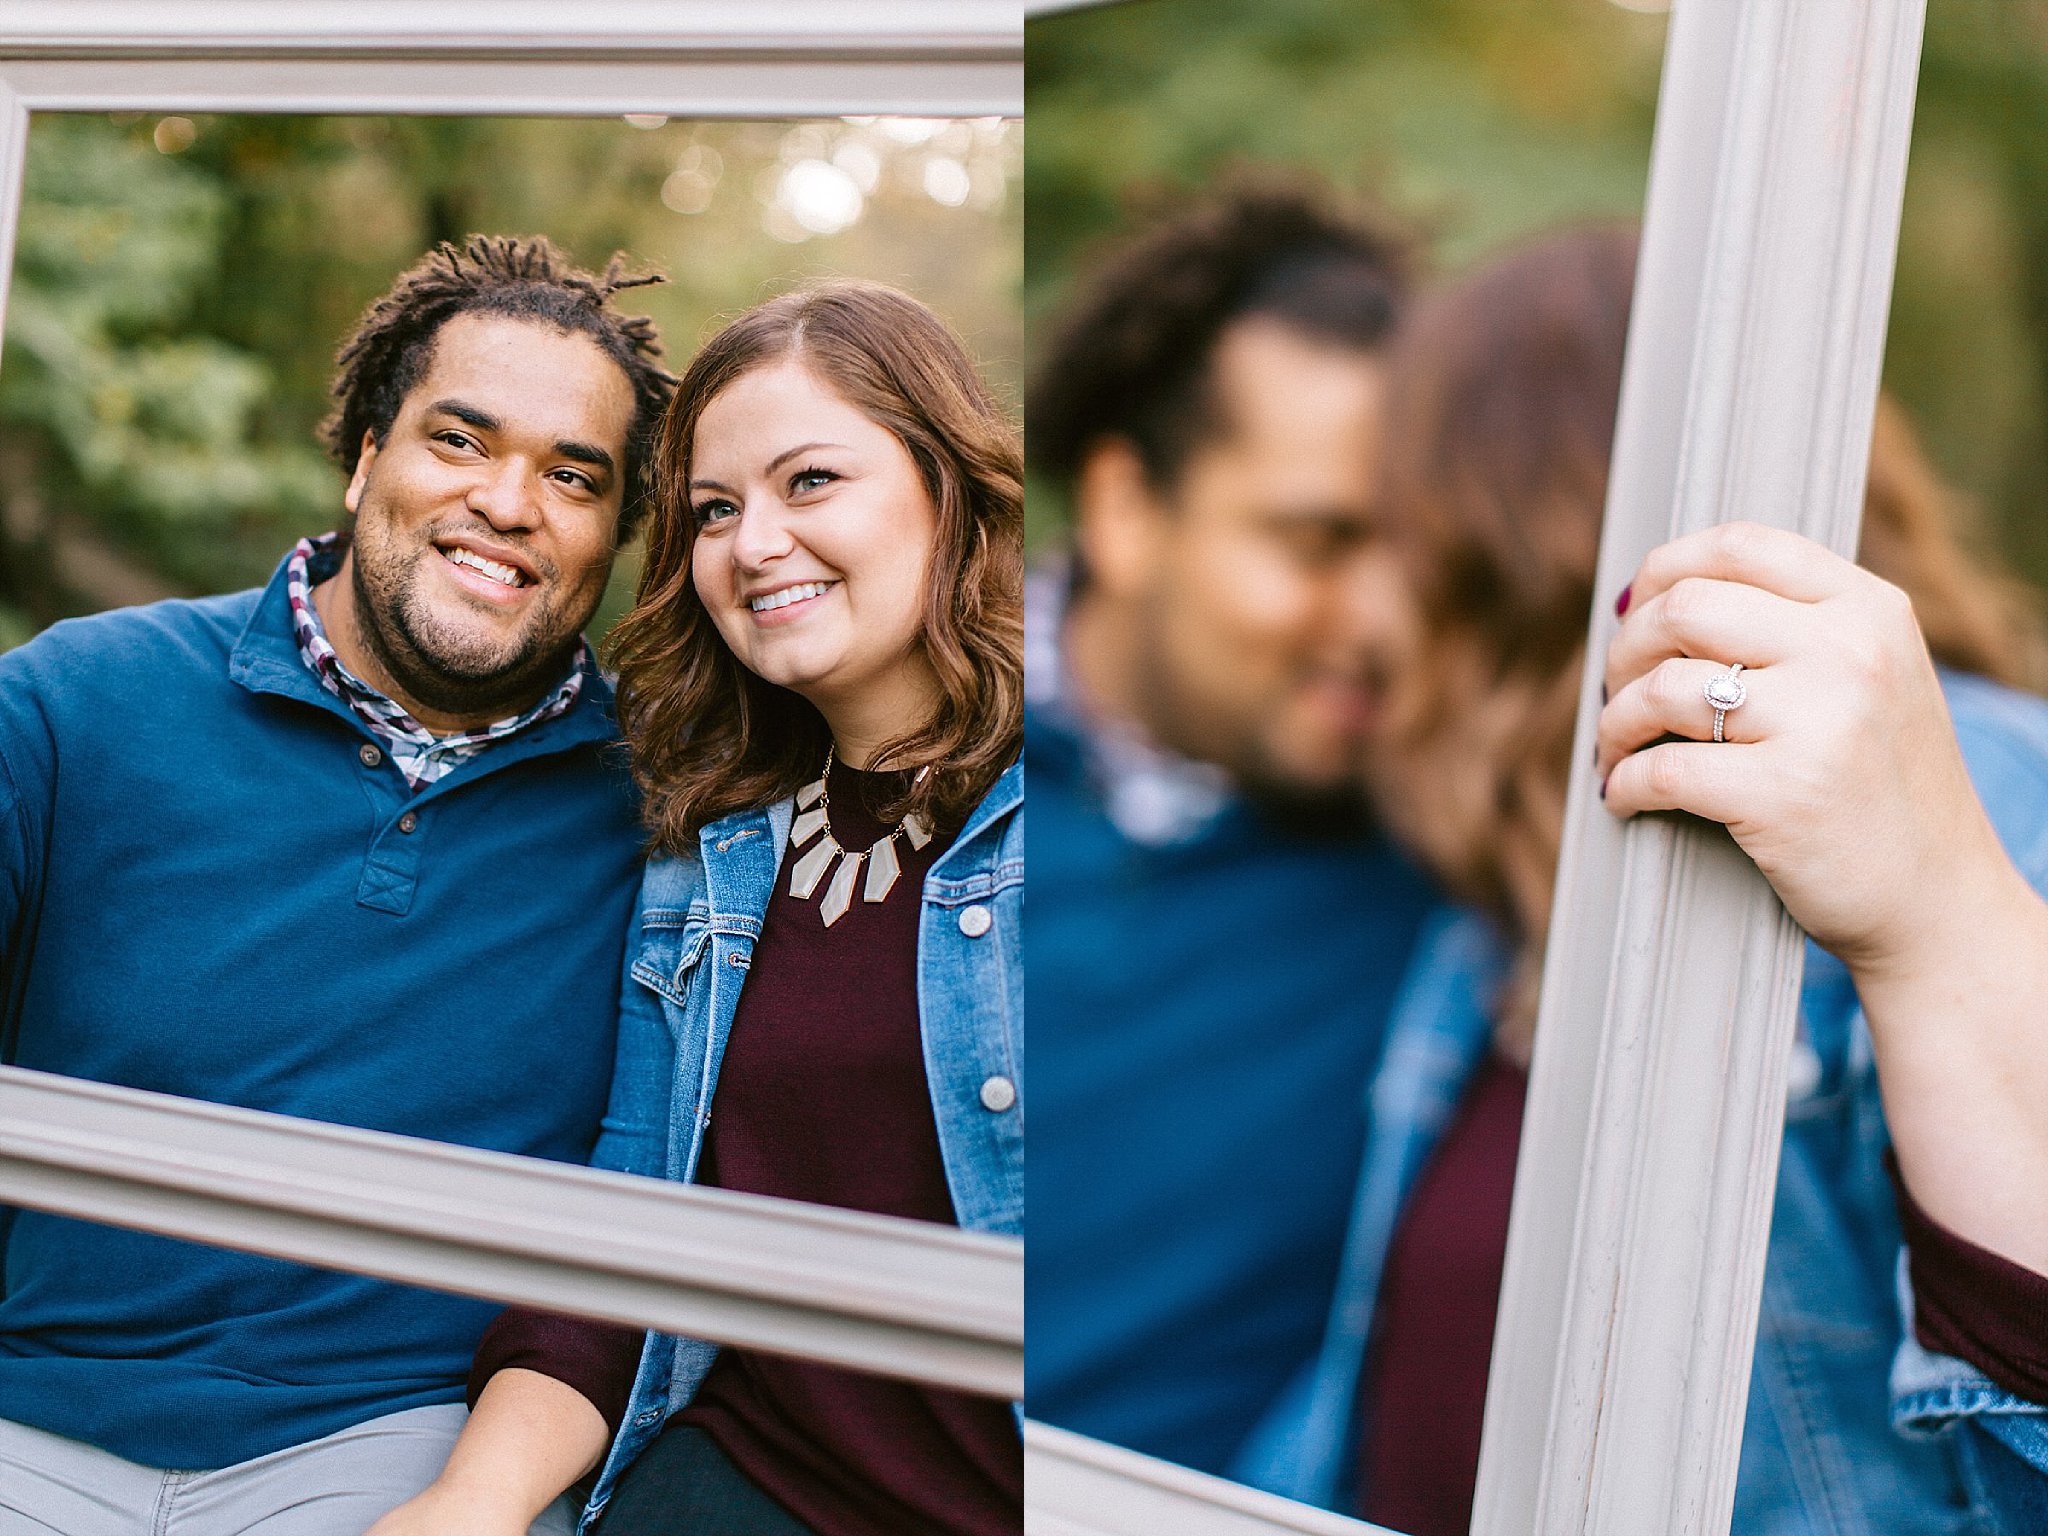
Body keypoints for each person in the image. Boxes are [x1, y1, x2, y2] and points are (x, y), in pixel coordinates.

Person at [1264, 223, 2048, 1534]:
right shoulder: (1493, 921)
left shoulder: (1967, 791)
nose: (1360, 604)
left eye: (1385, 527)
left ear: (1502, 529)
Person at [0, 235, 674, 1532]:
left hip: (390, 1448)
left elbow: (645, 1229)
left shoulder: (665, 812)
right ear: (369, 455)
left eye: (573, 476)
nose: (509, 502)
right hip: (29, 1405)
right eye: (460, 441)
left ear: (614, 537)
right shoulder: (77, 702)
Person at [371, 280, 1024, 1536]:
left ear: (946, 488)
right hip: (746, 1485)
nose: (754, 544)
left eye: (810, 482)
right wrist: (470, 1502)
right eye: (714, 511)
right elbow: (625, 1232)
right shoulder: (708, 856)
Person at [1023, 171, 1443, 1481]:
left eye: (1417, 550)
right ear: (1128, 509)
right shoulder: (895, 763)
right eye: (1317, 541)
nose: (1381, 620)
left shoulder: (1450, 850)